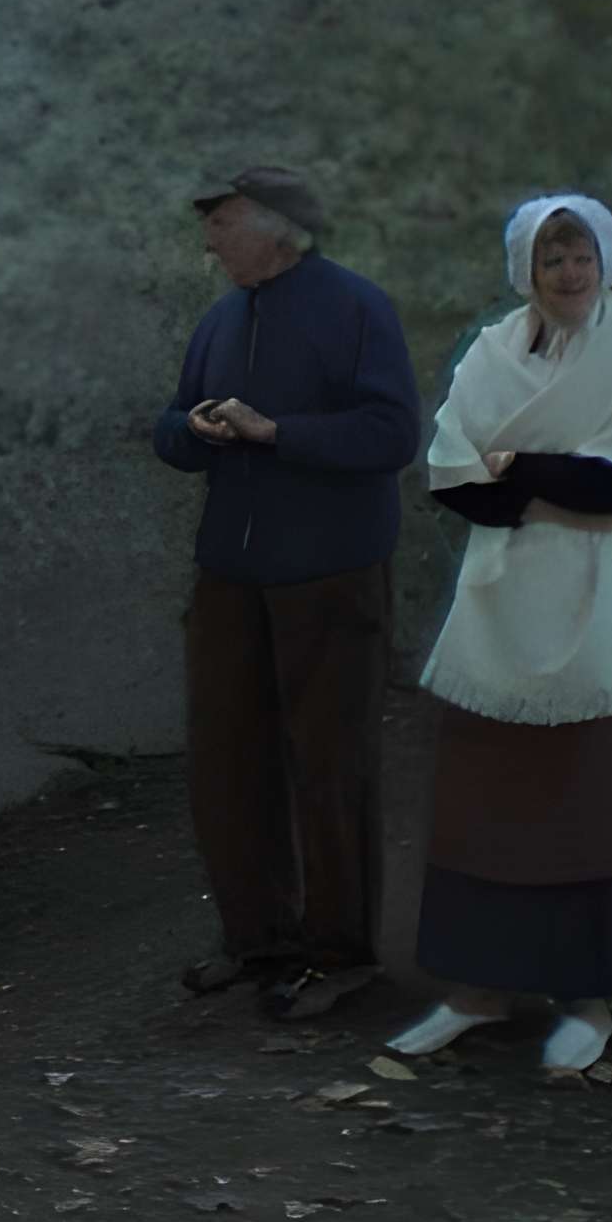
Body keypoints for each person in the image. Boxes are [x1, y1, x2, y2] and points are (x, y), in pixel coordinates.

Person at [389, 195, 612, 1072]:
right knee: (490, 795)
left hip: (601, 599)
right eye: (549, 260)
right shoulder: (493, 353)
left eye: (580, 257)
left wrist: (521, 463)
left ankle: (587, 996)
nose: (567, 274)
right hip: (500, 599)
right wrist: (541, 474)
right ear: (524, 272)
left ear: (606, 259)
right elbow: (454, 476)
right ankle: (481, 988)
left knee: (594, 794)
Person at [152, 167, 423, 1020]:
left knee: (329, 767)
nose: (209, 240)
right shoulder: (221, 319)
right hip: (231, 576)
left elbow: (391, 434)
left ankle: (340, 953)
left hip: (331, 574)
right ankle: (257, 940)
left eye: (222, 222)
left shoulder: (355, 308)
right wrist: (191, 428)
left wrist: (278, 433)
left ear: (278, 228)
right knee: (227, 764)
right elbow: (169, 427)